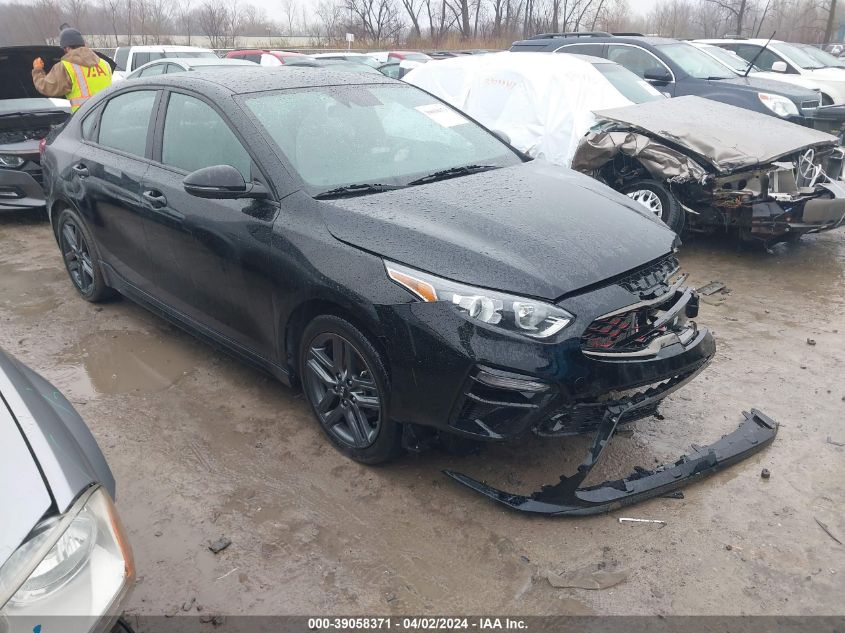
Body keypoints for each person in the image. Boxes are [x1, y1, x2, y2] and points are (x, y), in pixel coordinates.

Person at [32, 27, 112, 113]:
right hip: (107, 116)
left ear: (66, 48)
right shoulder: (104, 64)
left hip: (84, 118)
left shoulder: (65, 67)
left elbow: (46, 87)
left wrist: (38, 70)